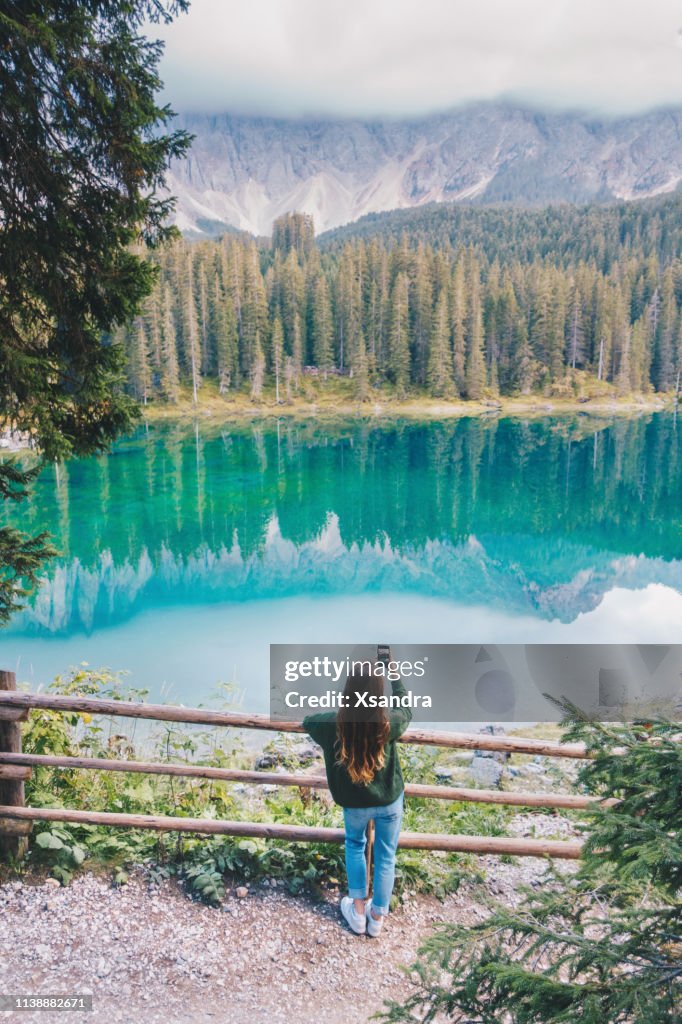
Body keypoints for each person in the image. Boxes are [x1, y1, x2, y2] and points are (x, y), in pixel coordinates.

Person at [302, 650, 412, 936]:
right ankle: (377, 917)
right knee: (386, 856)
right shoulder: (388, 724)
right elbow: (406, 708)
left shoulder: (331, 725)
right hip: (389, 801)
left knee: (354, 845)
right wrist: (394, 674)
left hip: (354, 803)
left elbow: (308, 720)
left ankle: (359, 911)